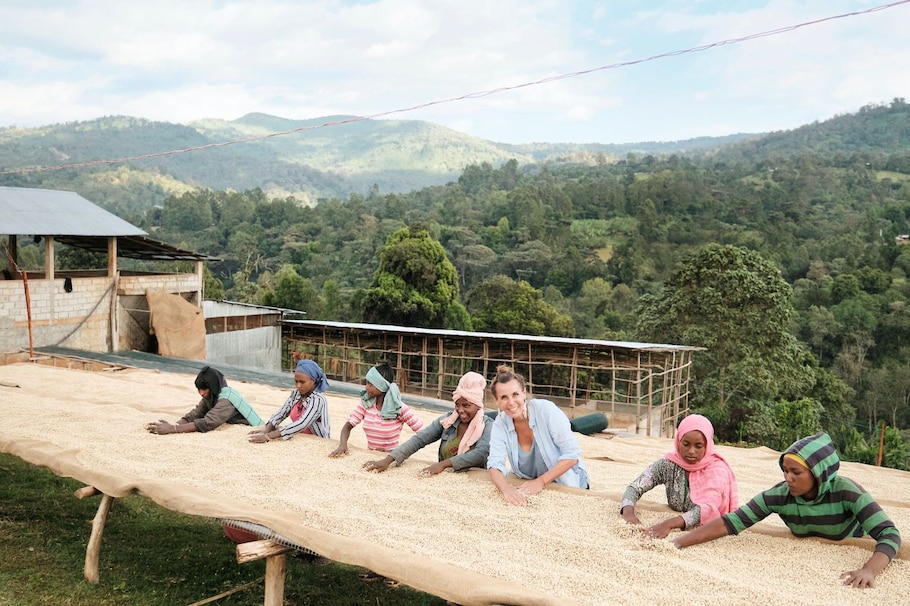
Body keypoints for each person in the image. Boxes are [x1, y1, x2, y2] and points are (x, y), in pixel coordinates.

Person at [673, 431, 902, 588]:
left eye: (796, 472)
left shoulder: (847, 492)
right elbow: (732, 521)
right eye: (785, 470)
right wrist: (678, 543)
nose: (788, 478)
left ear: (818, 473)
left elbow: (889, 534)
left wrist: (869, 570)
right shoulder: (780, 495)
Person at [620, 414, 738, 538]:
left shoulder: (717, 470)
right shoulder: (669, 464)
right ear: (678, 441)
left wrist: (668, 524)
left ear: (707, 445)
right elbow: (635, 487)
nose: (691, 451)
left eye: (698, 446)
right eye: (686, 444)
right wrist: (628, 513)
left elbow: (706, 509)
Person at [486, 364, 589, 506]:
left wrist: (540, 482)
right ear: (496, 400)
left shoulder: (546, 410)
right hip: (527, 481)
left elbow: (572, 455)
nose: (511, 402)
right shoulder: (500, 422)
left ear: (524, 392)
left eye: (515, 394)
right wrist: (506, 490)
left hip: (564, 481)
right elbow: (494, 463)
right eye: (504, 397)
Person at [362, 371, 493, 476]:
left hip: (475, 477)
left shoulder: (487, 426)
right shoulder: (448, 421)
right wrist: (388, 460)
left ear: (478, 405)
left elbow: (481, 454)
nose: (461, 410)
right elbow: (419, 439)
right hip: (445, 476)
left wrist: (442, 465)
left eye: (466, 406)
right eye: (457, 405)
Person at [329, 362, 424, 456]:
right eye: (367, 383)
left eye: (371, 384)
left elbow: (423, 432)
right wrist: (342, 444)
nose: (366, 387)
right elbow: (348, 426)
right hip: (370, 454)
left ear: (382, 386)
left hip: (391, 457)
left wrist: (403, 452)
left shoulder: (398, 408)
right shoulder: (366, 404)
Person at [146, 366, 263, 435]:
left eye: (204, 389)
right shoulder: (213, 394)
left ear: (213, 386)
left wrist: (173, 429)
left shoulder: (226, 400)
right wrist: (174, 424)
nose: (201, 393)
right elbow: (195, 414)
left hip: (252, 431)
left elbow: (207, 423)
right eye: (199, 389)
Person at [248, 358, 331, 443]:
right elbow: (281, 413)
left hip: (317, 441)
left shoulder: (318, 400)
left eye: (302, 382)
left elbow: (301, 424)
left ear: (313, 381)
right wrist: (266, 430)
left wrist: (267, 437)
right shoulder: (296, 394)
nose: (298, 385)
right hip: (299, 436)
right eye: (296, 381)